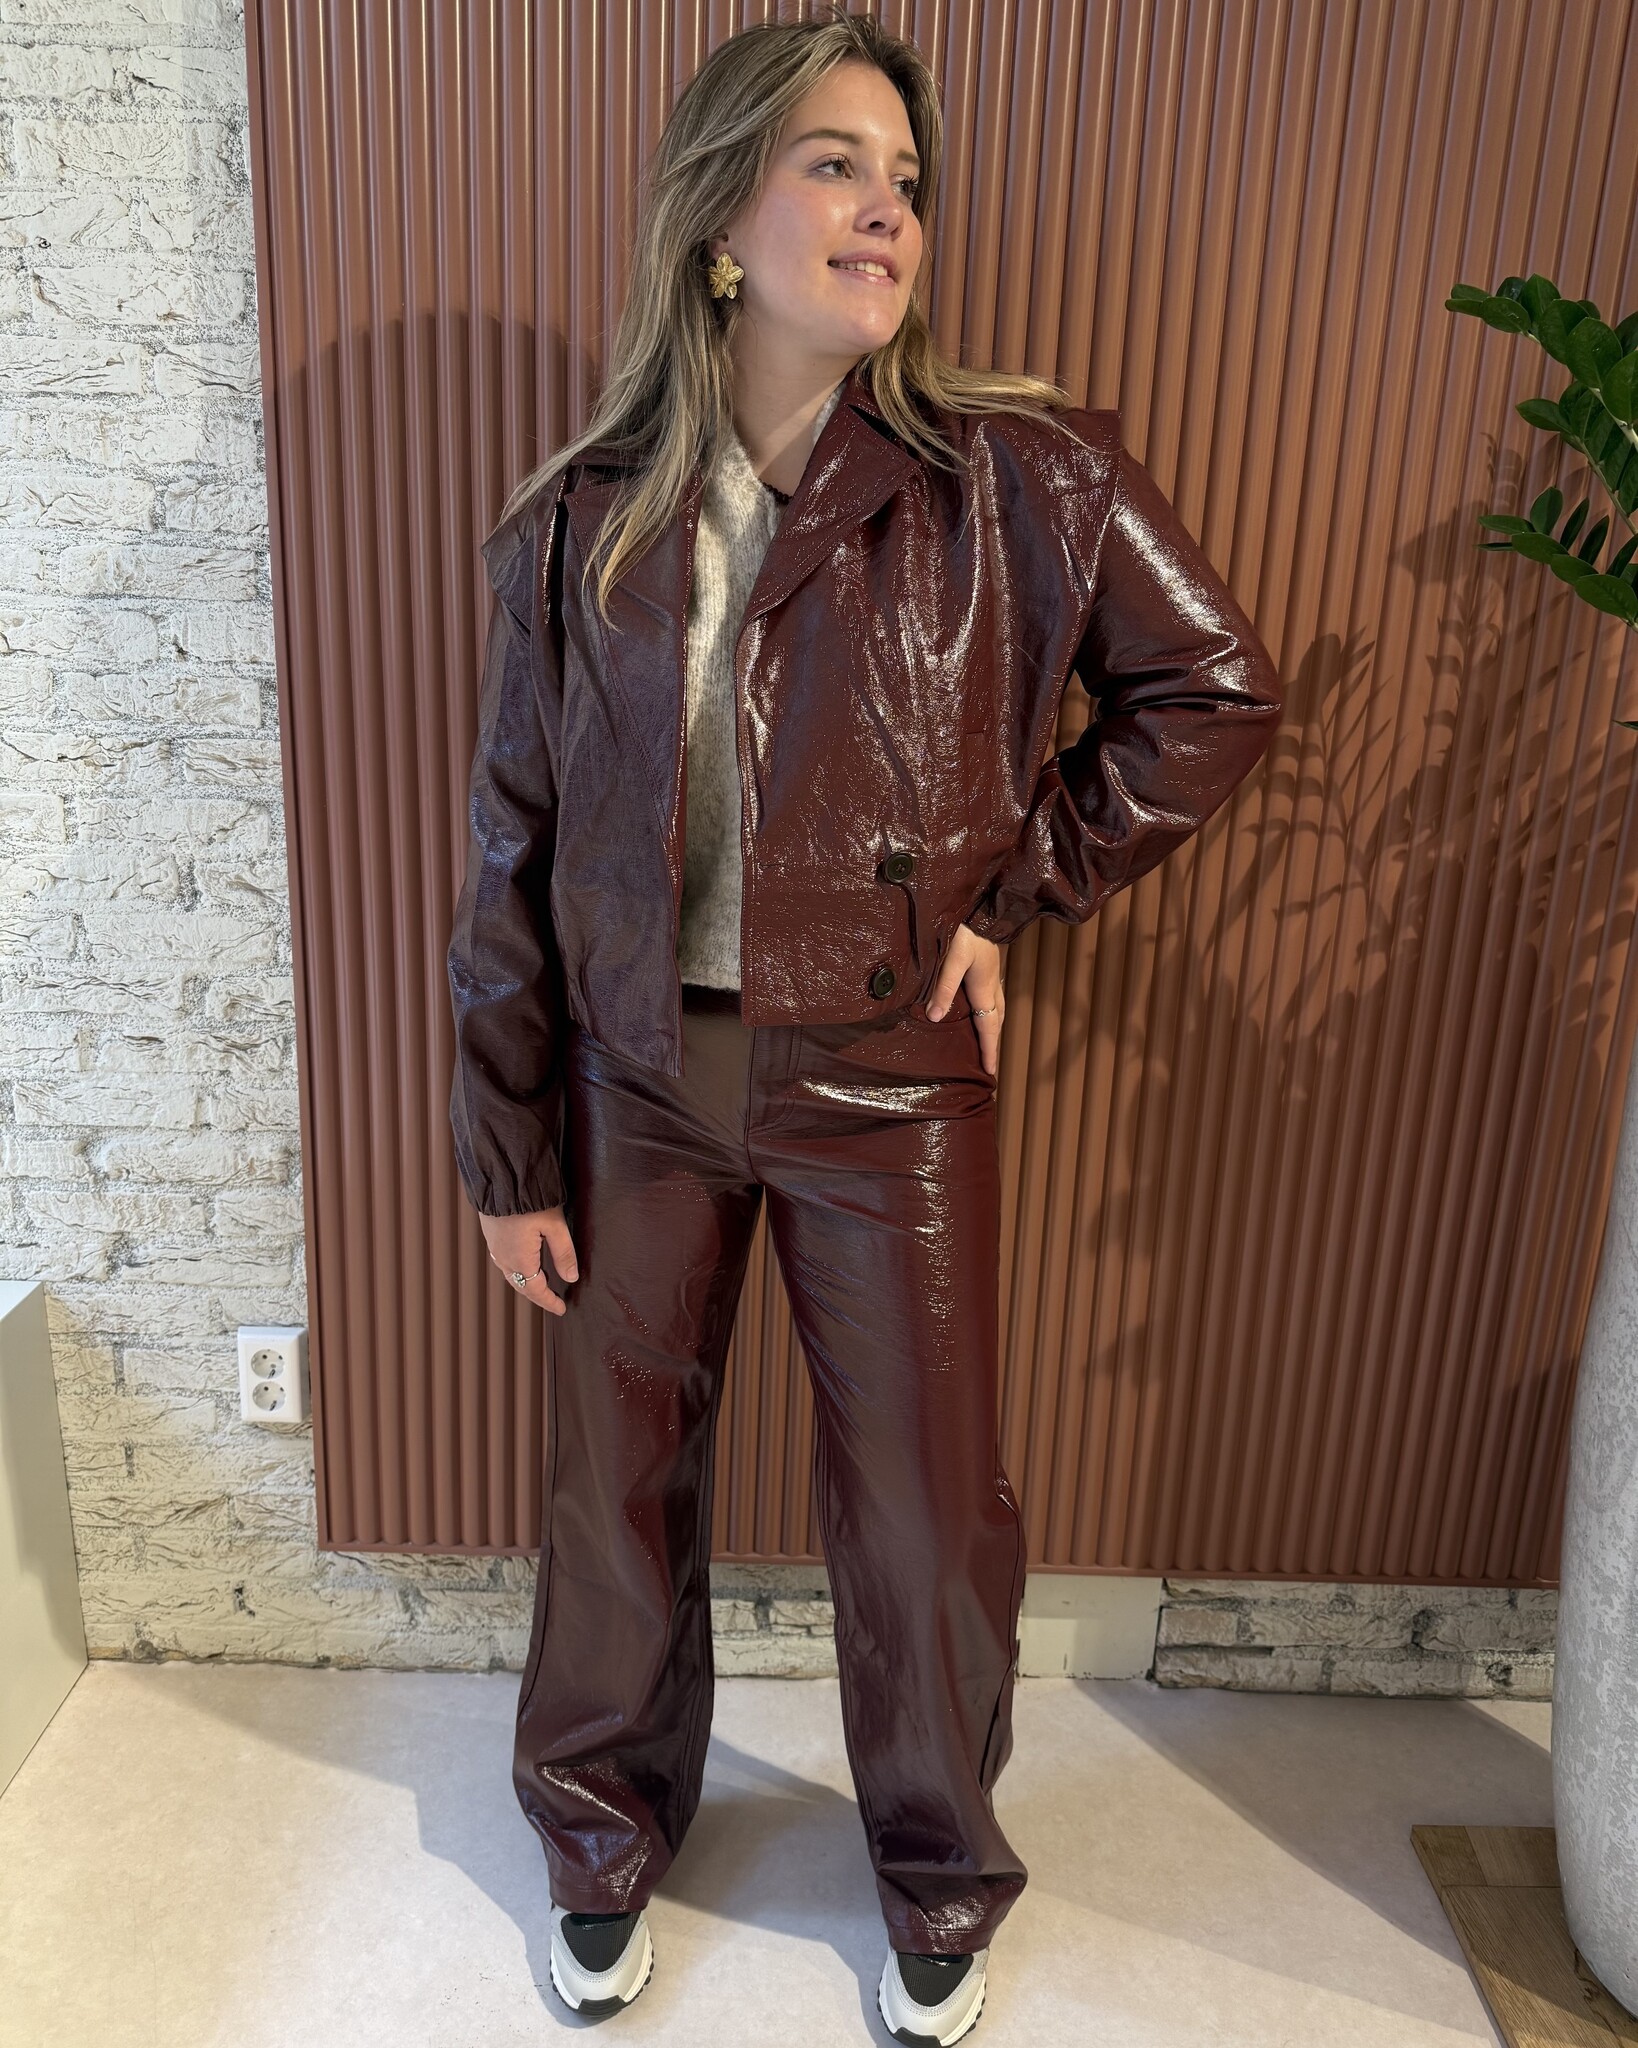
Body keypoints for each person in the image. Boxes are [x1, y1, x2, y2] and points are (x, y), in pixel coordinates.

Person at [446, 11, 1281, 2041]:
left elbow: (1213, 692)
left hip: (890, 1082)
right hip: (639, 1083)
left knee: (923, 1512)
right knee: (612, 1491)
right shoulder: (584, 520)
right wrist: (505, 1141)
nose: (884, 206)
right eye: (833, 162)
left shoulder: (1022, 477)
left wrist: (1017, 891)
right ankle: (597, 1832)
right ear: (718, 217)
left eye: (902, 176)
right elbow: (513, 847)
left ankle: (937, 1869)